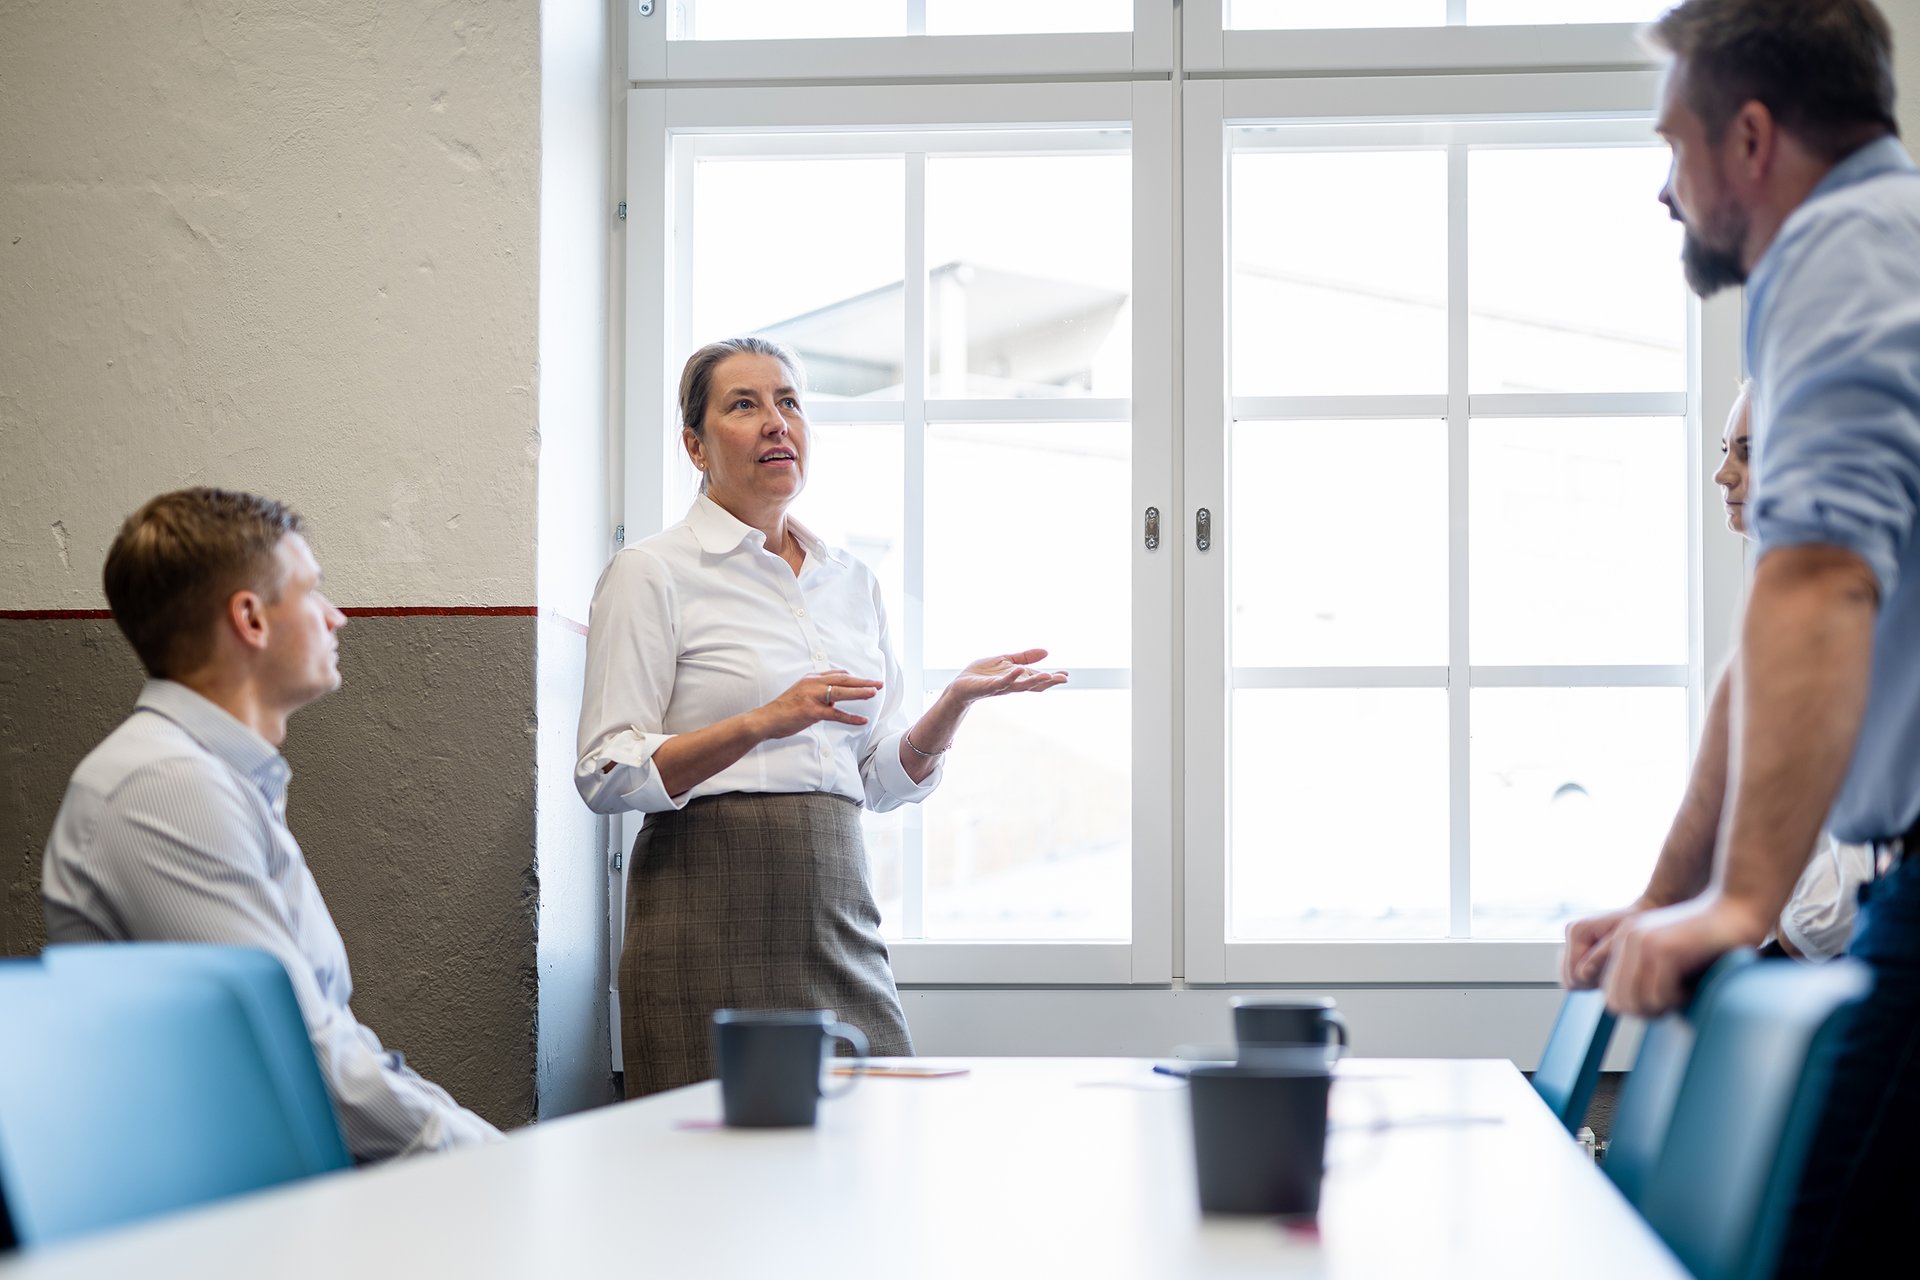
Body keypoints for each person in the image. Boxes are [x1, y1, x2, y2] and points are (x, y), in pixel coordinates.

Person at [1559, 2, 1920, 1271]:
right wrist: (1674, 898)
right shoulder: (1874, 247)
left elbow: (1819, 584)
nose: (1668, 190)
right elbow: (1768, 645)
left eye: (1676, 145)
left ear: (1751, 138)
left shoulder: (1843, 251)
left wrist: (1747, 903)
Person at [576, 337, 1067, 1097]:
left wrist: (952, 706)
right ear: (694, 446)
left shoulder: (851, 581)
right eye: (745, 405)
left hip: (835, 905)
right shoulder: (651, 572)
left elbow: (878, 780)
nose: (777, 423)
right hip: (700, 911)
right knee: (710, 1177)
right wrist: (758, 723)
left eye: (790, 402)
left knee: (880, 1142)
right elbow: (606, 772)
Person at [41, 488, 501, 1161]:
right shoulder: (166, 786)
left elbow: (332, 1037)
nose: (336, 617)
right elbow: (296, 1056)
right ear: (251, 619)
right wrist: (496, 1162)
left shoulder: (216, 778)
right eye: (312, 592)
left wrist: (482, 1146)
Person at [1712, 380, 1874, 961]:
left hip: (1844, 966)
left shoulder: (1857, 604)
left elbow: (1878, 842)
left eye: (1749, 452)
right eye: (1725, 450)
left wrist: (1783, 951)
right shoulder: (1779, 595)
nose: (1723, 474)